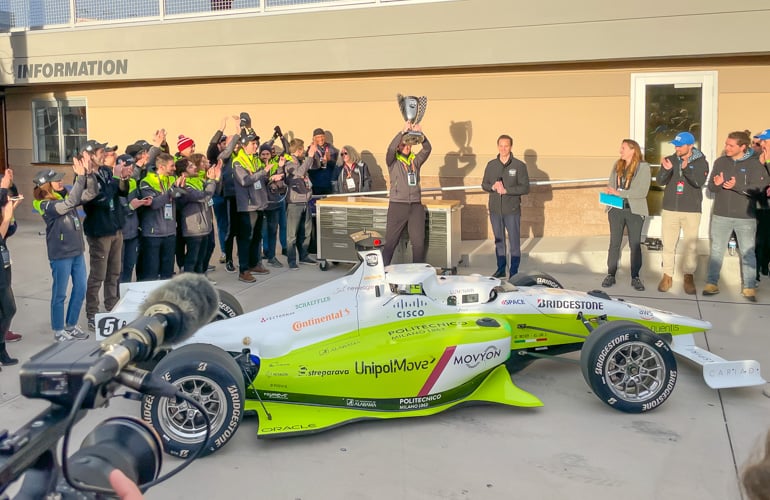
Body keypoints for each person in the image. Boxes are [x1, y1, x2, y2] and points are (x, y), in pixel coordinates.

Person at [33, 159, 96, 341]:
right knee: (60, 293)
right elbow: (68, 204)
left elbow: (91, 193)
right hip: (60, 254)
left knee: (81, 288)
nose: (61, 182)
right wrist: (80, 179)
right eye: (56, 180)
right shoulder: (44, 204)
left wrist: (89, 174)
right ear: (46, 185)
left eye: (61, 179)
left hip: (76, 251)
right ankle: (59, 329)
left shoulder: (64, 196)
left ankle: (71, 325)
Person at [704, 131, 767, 301]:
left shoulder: (755, 164)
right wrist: (716, 185)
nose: (726, 148)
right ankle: (711, 283)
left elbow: (760, 188)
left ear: (742, 147)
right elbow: (711, 186)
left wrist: (737, 186)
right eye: (726, 144)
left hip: (745, 217)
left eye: (730, 145)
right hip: (721, 215)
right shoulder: (720, 162)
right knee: (716, 249)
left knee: (748, 251)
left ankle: (749, 287)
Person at [81, 140, 128, 331]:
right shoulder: (85, 176)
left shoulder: (107, 172)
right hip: (99, 231)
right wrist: (115, 180)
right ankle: (92, 313)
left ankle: (112, 305)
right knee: (98, 275)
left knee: (114, 272)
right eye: (101, 152)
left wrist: (122, 179)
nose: (104, 154)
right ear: (90, 155)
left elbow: (120, 193)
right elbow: (99, 200)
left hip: (115, 228)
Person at [655, 131, 710, 294]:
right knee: (668, 245)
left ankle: (688, 276)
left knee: (690, 246)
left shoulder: (701, 162)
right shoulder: (670, 159)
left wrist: (686, 169)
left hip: (691, 211)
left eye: (680, 145)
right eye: (675, 145)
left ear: (690, 146)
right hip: (670, 209)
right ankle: (667, 275)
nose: (677, 148)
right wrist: (665, 170)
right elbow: (660, 181)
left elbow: (698, 182)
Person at [601, 139, 651, 291]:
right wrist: (610, 192)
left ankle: (635, 276)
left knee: (634, 244)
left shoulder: (643, 167)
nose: (620, 151)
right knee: (614, 242)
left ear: (632, 150)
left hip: (634, 210)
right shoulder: (618, 165)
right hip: (616, 209)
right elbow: (611, 184)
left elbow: (642, 191)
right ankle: (611, 274)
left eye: (623, 148)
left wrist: (620, 193)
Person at [382, 122, 432, 266]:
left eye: (409, 144)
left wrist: (421, 135)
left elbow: (428, 149)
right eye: (404, 144)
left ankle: (418, 274)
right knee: (391, 242)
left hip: (415, 206)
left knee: (418, 244)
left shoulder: (415, 161)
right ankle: (382, 273)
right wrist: (402, 132)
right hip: (398, 205)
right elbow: (390, 149)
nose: (407, 146)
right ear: (399, 146)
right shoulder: (393, 162)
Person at [480, 134, 530, 278]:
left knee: (514, 241)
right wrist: (493, 187)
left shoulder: (519, 166)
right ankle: (501, 268)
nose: (503, 148)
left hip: (512, 210)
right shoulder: (491, 165)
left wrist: (507, 190)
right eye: (501, 146)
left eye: (506, 146)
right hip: (495, 210)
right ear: (498, 147)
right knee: (499, 241)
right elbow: (484, 184)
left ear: (511, 147)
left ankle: (514, 272)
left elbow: (525, 188)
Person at [232, 128, 272, 282]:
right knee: (245, 238)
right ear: (244, 145)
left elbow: (258, 179)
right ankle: (243, 270)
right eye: (253, 144)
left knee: (256, 237)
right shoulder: (238, 162)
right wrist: (263, 172)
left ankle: (254, 264)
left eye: (256, 143)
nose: (256, 146)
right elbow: (244, 181)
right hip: (248, 206)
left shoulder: (255, 159)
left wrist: (270, 176)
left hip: (259, 204)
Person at [175, 155, 220, 274]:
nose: (195, 167)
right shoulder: (185, 186)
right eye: (191, 167)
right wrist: (211, 181)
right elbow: (204, 196)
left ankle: (199, 284)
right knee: (192, 260)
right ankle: (189, 285)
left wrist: (215, 178)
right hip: (193, 229)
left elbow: (213, 191)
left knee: (200, 260)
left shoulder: (199, 181)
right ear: (184, 173)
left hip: (204, 227)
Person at [138, 153, 178, 281]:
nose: (174, 169)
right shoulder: (146, 182)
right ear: (161, 167)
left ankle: (165, 298)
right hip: (152, 234)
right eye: (172, 166)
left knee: (167, 273)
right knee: (151, 273)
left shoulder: (172, 179)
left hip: (170, 233)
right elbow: (154, 204)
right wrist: (171, 193)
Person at [285, 137, 319, 269]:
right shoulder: (289, 163)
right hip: (295, 202)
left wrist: (313, 154)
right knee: (292, 234)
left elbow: (315, 166)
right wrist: (309, 156)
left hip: (306, 201)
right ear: (298, 150)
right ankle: (292, 260)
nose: (305, 151)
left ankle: (304, 255)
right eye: (303, 148)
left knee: (306, 231)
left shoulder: (301, 161)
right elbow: (299, 173)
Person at [117, 154, 150, 283]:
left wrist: (143, 203)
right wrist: (130, 207)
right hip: (120, 233)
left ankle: (125, 291)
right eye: (127, 167)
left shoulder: (133, 182)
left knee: (130, 265)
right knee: (118, 268)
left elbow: (136, 202)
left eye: (131, 166)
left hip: (133, 232)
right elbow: (118, 209)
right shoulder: (116, 184)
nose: (130, 169)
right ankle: (117, 296)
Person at [0, 171, 22, 367]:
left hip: (3, 268)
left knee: (8, 309)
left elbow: (10, 231)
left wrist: (10, 211)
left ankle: (1, 349)